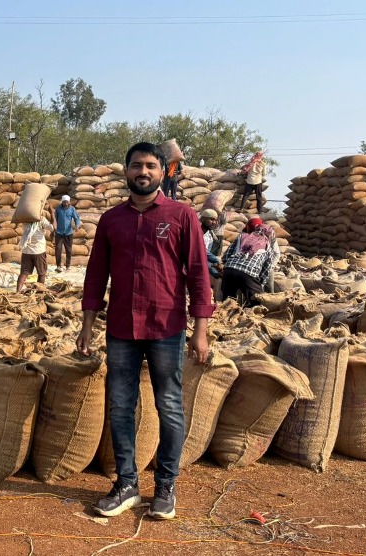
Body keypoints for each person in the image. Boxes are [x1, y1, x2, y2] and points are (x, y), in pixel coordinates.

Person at [77, 142, 214, 521]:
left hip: (166, 327)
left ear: (161, 172)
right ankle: (126, 484)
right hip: (121, 327)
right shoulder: (111, 220)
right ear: (126, 172)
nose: (143, 172)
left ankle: (166, 486)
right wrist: (87, 325)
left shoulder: (182, 216)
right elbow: (95, 276)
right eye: (137, 165)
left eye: (151, 166)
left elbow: (199, 276)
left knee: (168, 404)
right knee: (121, 406)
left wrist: (200, 331)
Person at [220, 216, 280, 306]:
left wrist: (227, 269)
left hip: (229, 270)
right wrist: (259, 284)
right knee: (258, 302)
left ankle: (225, 318)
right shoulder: (267, 245)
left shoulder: (242, 236)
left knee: (227, 302)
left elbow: (226, 257)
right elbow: (265, 271)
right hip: (248, 274)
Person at [16, 214, 53, 292]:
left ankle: (18, 292)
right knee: (42, 273)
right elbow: (53, 228)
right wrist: (52, 214)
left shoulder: (25, 219)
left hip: (26, 251)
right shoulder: (41, 220)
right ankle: (39, 292)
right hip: (39, 251)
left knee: (24, 273)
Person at [53, 195, 81, 272]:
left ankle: (68, 266)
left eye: (67, 202)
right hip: (59, 233)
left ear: (69, 202)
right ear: (62, 201)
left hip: (68, 233)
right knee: (58, 249)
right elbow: (55, 219)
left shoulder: (72, 209)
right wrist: (54, 227)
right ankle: (58, 266)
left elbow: (76, 218)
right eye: (64, 202)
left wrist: (77, 225)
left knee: (68, 250)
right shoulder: (58, 209)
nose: (65, 203)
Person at [199, 208, 224, 280]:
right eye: (211, 219)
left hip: (201, 270)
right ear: (203, 219)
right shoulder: (196, 233)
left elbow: (206, 262)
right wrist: (217, 260)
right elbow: (202, 251)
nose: (214, 222)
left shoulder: (210, 236)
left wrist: (215, 274)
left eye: (215, 220)